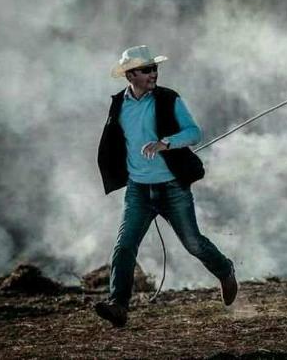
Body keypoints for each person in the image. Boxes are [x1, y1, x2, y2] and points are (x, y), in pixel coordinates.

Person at [94, 45, 237, 328]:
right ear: (130, 75)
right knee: (124, 247)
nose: (153, 73)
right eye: (147, 70)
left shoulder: (169, 98)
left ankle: (225, 270)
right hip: (138, 190)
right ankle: (118, 306)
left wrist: (166, 143)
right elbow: (115, 142)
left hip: (172, 188)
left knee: (194, 244)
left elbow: (194, 133)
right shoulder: (118, 105)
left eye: (155, 68)